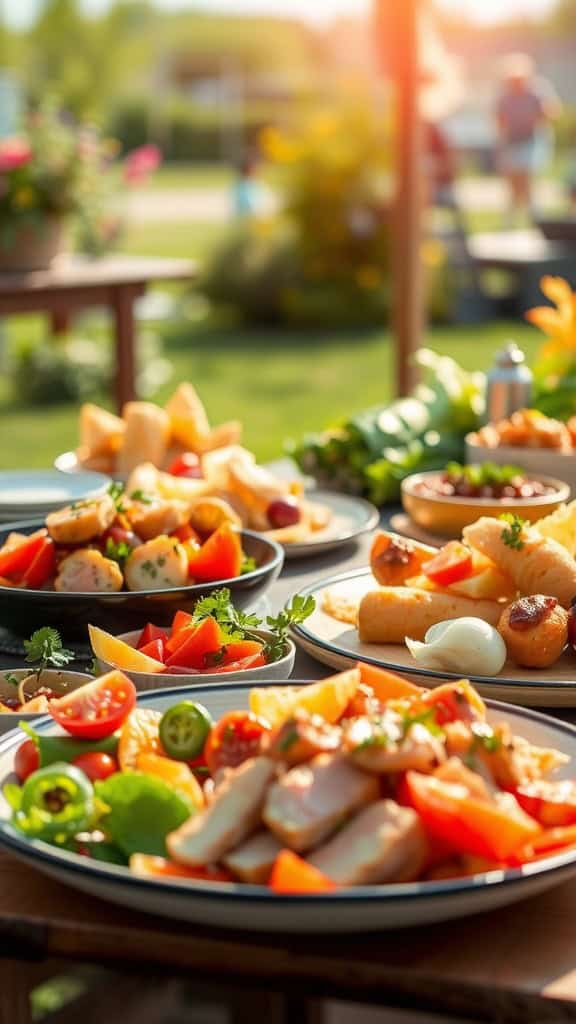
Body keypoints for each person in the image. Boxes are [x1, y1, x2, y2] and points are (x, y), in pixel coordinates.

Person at [496, 53, 560, 225]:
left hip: (531, 141)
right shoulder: (505, 95)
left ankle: (535, 218)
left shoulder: (536, 92)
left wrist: (538, 117)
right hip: (511, 141)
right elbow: (498, 118)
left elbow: (551, 113)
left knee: (526, 179)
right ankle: (511, 220)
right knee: (513, 184)